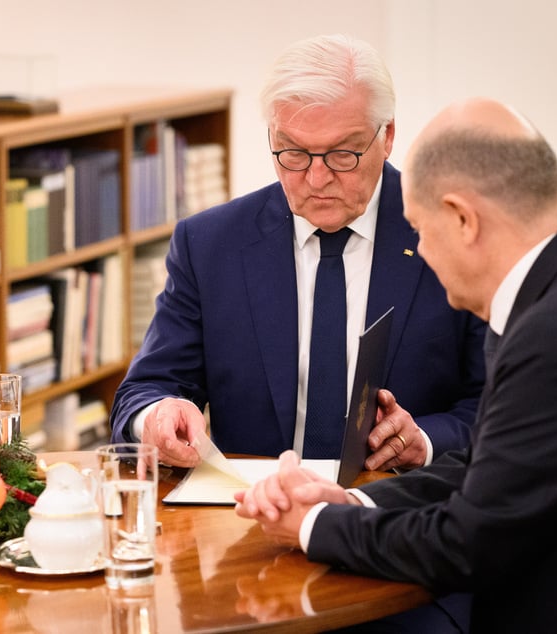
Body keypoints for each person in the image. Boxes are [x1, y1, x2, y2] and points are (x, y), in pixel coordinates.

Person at [235, 97, 557, 632]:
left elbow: (467, 544)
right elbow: (483, 466)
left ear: (464, 219)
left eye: (421, 230)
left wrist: (313, 525)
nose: (420, 252)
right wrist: (353, 500)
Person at [110, 34, 486, 476]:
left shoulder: (453, 232)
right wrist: (156, 416)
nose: (317, 177)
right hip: (250, 517)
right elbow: (146, 389)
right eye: (293, 153)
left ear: (387, 137)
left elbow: (500, 404)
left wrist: (424, 440)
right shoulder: (210, 244)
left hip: (401, 511)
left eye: (343, 153)